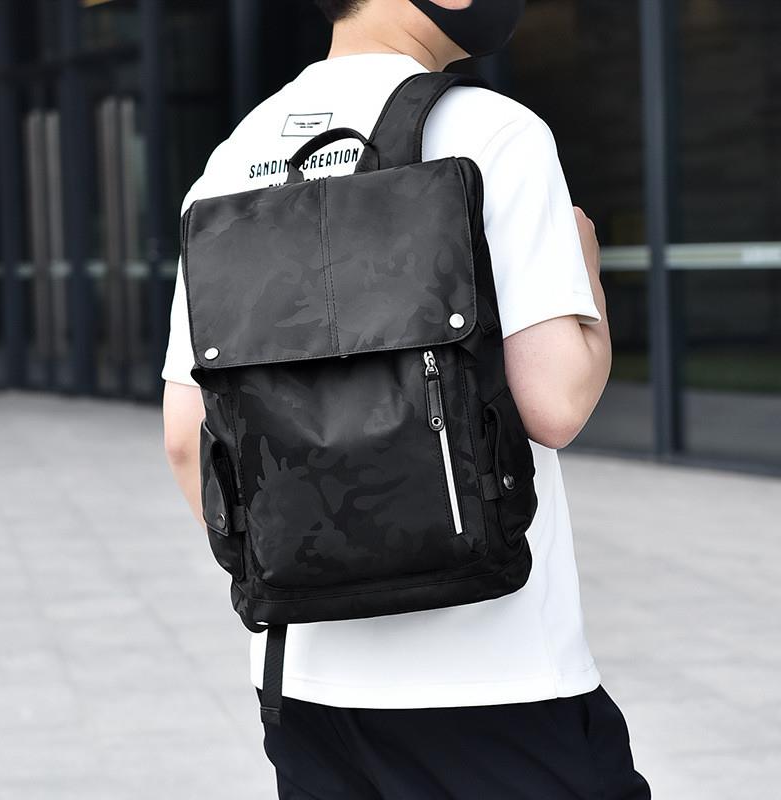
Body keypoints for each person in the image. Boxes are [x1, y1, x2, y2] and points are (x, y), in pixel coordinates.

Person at [162, 1, 651, 797]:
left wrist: (317, 565)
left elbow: (188, 439)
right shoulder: (493, 132)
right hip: (493, 679)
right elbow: (556, 401)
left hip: (305, 685)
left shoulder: (234, 157)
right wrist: (587, 276)